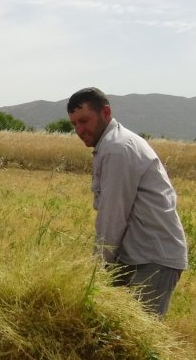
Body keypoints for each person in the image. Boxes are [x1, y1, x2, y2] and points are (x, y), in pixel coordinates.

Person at [67, 87, 188, 317]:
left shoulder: (117, 149)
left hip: (153, 257)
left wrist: (95, 271)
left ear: (106, 113)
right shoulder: (110, 144)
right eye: (74, 124)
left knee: (140, 341)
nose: (80, 130)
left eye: (84, 120)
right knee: (105, 326)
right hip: (134, 254)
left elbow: (113, 216)